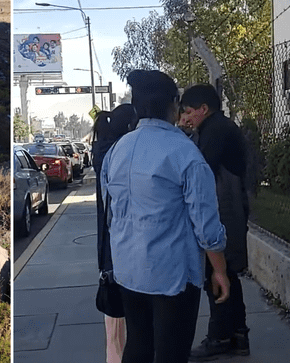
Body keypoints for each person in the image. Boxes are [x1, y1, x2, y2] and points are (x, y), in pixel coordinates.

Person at [100, 70, 230, 363]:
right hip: (173, 276)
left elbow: (112, 212)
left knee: (138, 346)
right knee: (172, 352)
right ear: (173, 105)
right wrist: (219, 270)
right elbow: (206, 225)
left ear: (136, 106)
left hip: (129, 271)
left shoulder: (117, 150)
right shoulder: (185, 153)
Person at [180, 84, 251, 360]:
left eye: (188, 112)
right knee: (228, 273)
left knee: (217, 275)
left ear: (203, 109)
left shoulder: (215, 131)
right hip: (230, 208)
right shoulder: (214, 128)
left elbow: (199, 168)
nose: (185, 117)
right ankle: (238, 335)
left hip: (226, 211)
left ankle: (220, 337)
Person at [92, 105, 136, 363]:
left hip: (107, 248)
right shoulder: (119, 156)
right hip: (120, 246)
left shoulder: (104, 153)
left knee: (114, 323)